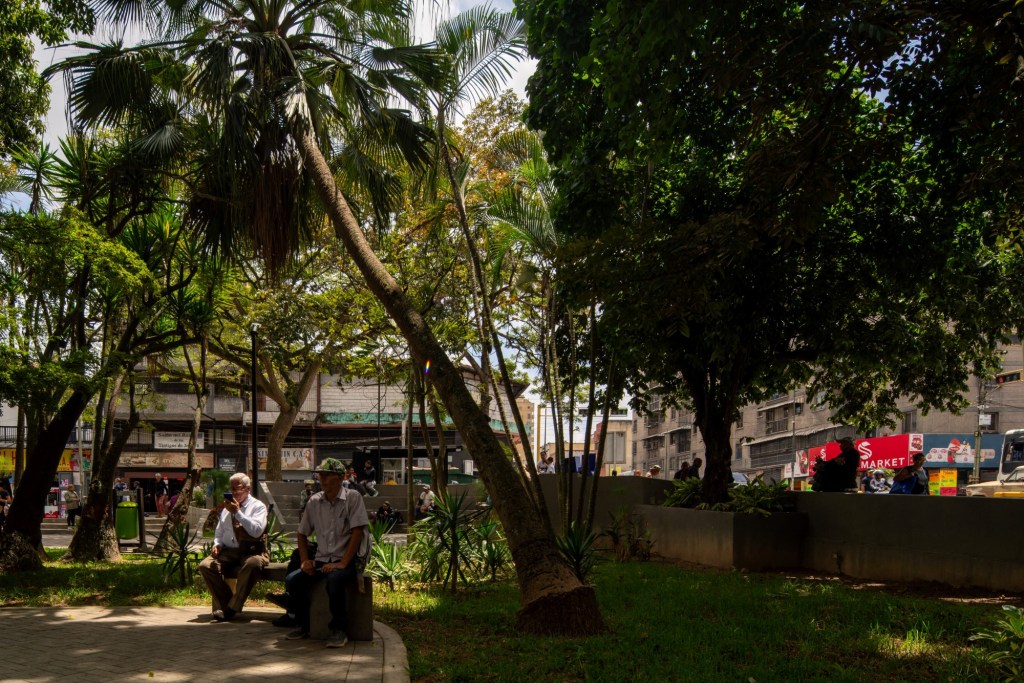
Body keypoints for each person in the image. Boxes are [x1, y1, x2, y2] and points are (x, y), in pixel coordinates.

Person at [283, 457, 369, 647]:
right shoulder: (314, 501)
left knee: (334, 580)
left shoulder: (353, 498)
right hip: (322, 560)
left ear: (341, 477)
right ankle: (303, 624)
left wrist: (342, 563)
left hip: (347, 560)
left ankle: (339, 629)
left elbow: (357, 533)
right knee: (293, 580)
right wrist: (305, 560)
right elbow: (302, 533)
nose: (322, 479)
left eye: (327, 475)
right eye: (320, 475)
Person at [197, 472, 269, 622]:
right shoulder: (227, 508)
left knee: (253, 564)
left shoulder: (258, 507)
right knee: (205, 565)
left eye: (238, 488)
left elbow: (256, 531)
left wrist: (238, 512)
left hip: (251, 551)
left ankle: (230, 609)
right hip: (229, 552)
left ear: (248, 488)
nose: (234, 492)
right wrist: (217, 544)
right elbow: (219, 532)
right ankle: (229, 604)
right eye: (232, 488)